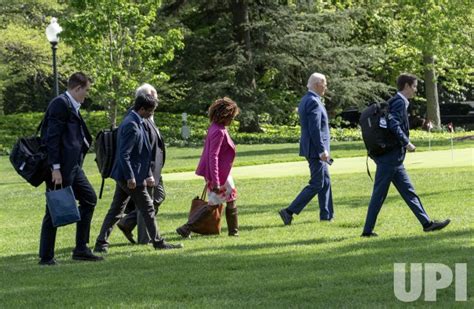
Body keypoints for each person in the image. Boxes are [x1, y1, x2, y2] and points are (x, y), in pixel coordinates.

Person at [361, 73, 450, 237]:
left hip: (393, 158)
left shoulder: (396, 102)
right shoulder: (399, 102)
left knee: (409, 192)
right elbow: (393, 123)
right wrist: (406, 142)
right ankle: (367, 231)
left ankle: (427, 224)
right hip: (390, 158)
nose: (416, 90)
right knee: (379, 194)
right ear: (407, 86)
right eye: (414, 86)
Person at [94, 94, 182, 251]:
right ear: (142, 109)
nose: (151, 114)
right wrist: (131, 177)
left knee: (116, 209)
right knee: (148, 207)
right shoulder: (131, 125)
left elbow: (142, 153)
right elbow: (124, 154)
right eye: (150, 111)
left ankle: (101, 243)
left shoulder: (138, 121)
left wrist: (148, 173)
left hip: (130, 174)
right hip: (129, 175)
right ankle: (158, 242)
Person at [39, 72, 103, 265]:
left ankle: (81, 249)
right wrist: (55, 168)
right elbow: (52, 138)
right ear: (77, 89)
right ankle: (46, 257)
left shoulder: (71, 105)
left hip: (73, 166)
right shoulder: (60, 104)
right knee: (53, 207)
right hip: (61, 167)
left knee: (89, 199)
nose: (86, 95)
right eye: (86, 90)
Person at [176, 97, 240, 238]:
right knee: (213, 204)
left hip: (222, 173)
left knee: (230, 198)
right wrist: (216, 180)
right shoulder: (219, 131)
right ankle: (186, 228)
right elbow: (213, 156)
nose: (233, 120)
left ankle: (233, 232)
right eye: (232, 117)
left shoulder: (216, 127)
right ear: (225, 116)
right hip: (219, 174)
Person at [279, 73, 334, 225]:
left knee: (326, 182)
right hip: (316, 150)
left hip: (313, 149)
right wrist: (322, 150)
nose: (326, 87)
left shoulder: (307, 100)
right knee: (317, 183)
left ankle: (327, 215)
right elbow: (314, 129)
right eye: (325, 84)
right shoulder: (313, 102)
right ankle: (288, 211)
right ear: (317, 84)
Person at [116, 83, 167, 244]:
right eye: (154, 98)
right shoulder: (138, 118)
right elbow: (136, 149)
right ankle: (146, 238)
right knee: (146, 203)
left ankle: (127, 223)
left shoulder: (147, 117)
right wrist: (146, 173)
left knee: (152, 200)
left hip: (153, 168)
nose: (156, 102)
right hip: (146, 169)